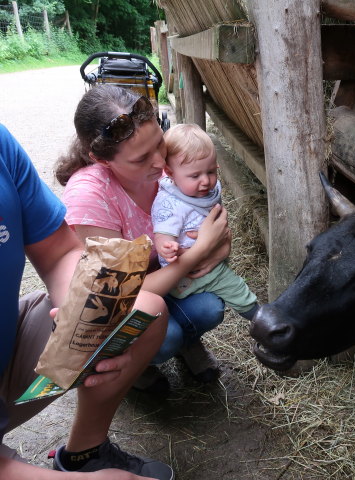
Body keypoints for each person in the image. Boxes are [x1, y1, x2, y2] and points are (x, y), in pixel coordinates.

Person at [0, 123, 174, 479]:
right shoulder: (90, 191)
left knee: (143, 311)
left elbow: (59, 251)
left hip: (7, 351)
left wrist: (85, 320)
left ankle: (84, 453)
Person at [55, 86, 232, 392]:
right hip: (122, 304)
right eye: (140, 159)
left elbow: (215, 223)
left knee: (211, 307)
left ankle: (185, 344)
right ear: (101, 159)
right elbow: (122, 294)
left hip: (166, 281)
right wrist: (199, 250)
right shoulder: (90, 196)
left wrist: (220, 246)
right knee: (168, 335)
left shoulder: (166, 166)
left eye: (159, 144)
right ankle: (135, 363)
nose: (160, 162)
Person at [152, 123, 258, 323]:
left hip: (209, 254)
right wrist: (167, 247)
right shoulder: (170, 203)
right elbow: (162, 234)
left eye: (211, 171)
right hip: (189, 269)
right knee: (234, 287)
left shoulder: (208, 190)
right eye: (195, 175)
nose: (206, 181)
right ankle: (259, 317)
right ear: (170, 172)